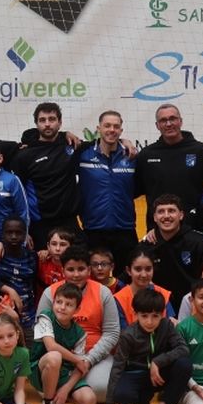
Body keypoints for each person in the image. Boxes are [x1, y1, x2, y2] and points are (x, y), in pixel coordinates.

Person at [33, 247, 121, 403]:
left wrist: (89, 359)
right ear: (62, 270)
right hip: (57, 358)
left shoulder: (103, 293)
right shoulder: (50, 292)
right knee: (54, 363)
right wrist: (74, 360)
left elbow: (112, 333)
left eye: (81, 269)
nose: (76, 274)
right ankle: (54, 393)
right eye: (70, 269)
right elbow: (41, 334)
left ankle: (61, 393)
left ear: (89, 270)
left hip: (93, 355)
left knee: (103, 389)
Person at [106, 288, 191, 404]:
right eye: (144, 316)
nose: (150, 322)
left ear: (162, 314)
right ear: (136, 314)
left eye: (155, 316)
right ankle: (142, 400)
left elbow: (183, 348)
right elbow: (117, 367)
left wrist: (157, 362)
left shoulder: (167, 326)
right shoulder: (128, 335)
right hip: (136, 374)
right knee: (123, 396)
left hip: (159, 374)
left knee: (184, 364)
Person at [77, 110, 139, 278]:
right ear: (98, 128)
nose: (112, 130)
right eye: (107, 126)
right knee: (94, 282)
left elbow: (140, 187)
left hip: (125, 230)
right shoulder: (83, 155)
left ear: (121, 131)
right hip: (93, 230)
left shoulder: (132, 156)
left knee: (126, 280)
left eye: (116, 126)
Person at [11, 102, 81, 245]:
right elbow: (17, 195)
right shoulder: (24, 155)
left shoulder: (72, 146)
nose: (47, 124)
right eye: (42, 120)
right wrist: (23, 229)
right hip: (40, 225)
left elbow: (102, 145)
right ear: (36, 124)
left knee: (75, 265)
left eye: (52, 119)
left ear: (60, 123)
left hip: (69, 222)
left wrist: (124, 142)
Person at [134, 104, 203, 231]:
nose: (168, 124)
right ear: (157, 125)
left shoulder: (200, 150)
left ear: (180, 121)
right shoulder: (146, 155)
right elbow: (135, 189)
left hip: (194, 226)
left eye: (173, 118)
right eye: (163, 120)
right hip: (157, 230)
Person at [139, 195, 203, 308]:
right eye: (161, 212)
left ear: (181, 215)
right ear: (155, 217)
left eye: (171, 211)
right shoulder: (146, 246)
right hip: (158, 310)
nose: (166, 216)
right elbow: (130, 275)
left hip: (195, 308)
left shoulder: (200, 243)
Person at [36, 283, 95, 404]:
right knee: (54, 356)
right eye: (59, 302)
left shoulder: (80, 333)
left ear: (77, 309)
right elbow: (51, 346)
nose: (62, 307)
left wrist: (66, 389)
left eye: (68, 304)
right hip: (39, 368)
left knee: (89, 401)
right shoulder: (45, 317)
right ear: (53, 302)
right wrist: (77, 359)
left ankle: (58, 398)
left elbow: (80, 368)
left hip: (64, 373)